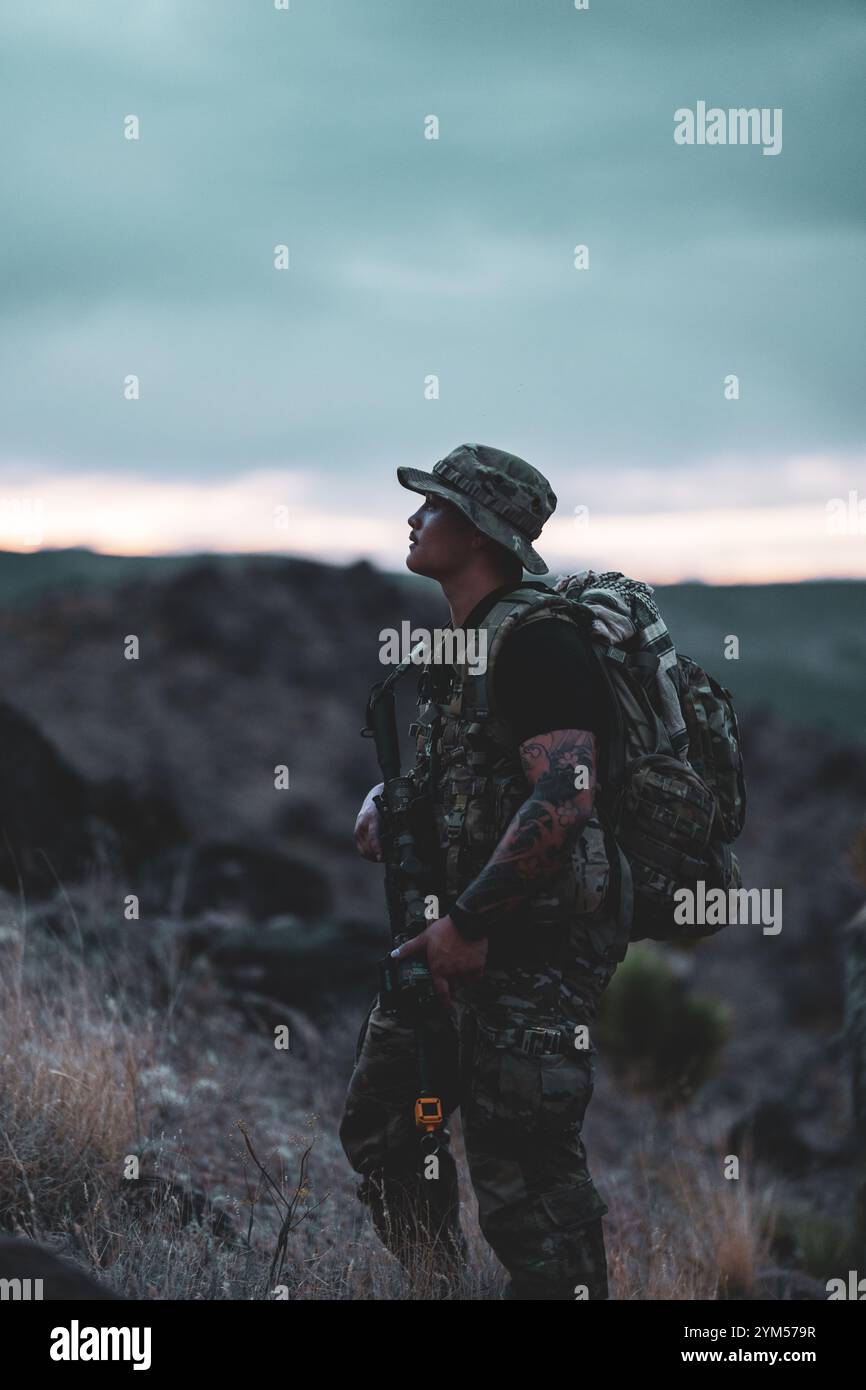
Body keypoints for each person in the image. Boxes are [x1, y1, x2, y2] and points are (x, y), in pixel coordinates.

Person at [340, 443, 628, 1300]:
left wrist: (469, 924)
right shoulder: (472, 640)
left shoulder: (539, 642)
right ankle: (439, 1290)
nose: (412, 518)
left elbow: (568, 791)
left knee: (530, 1195)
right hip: (443, 946)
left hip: (526, 959)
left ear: (478, 532)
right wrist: (390, 795)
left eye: (431, 506)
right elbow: (484, 772)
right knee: (388, 1132)